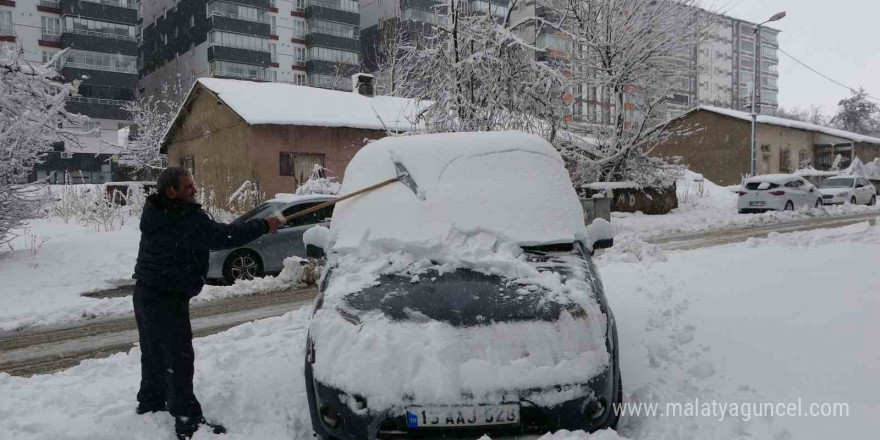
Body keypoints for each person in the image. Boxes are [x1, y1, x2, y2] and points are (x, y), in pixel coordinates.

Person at [132, 167, 283, 439]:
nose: (194, 189)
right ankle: (187, 420)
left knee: (153, 350)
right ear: (172, 191)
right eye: (188, 186)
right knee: (179, 357)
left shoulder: (156, 211)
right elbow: (224, 236)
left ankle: (151, 401)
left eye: (193, 184)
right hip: (166, 296)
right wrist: (264, 225)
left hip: (145, 293)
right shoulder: (184, 218)